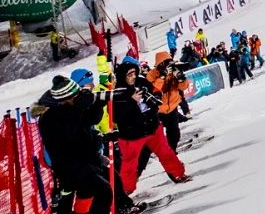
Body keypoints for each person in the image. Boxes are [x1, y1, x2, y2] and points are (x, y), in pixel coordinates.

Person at [33, 74, 140, 214]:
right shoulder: (50, 117)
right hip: (71, 166)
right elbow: (72, 135)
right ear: (65, 99)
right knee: (103, 191)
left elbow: (91, 120)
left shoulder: (69, 109)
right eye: (76, 96)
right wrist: (81, 110)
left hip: (85, 160)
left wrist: (98, 104)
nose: (79, 98)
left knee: (92, 192)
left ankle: (123, 206)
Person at [111, 62, 192, 195]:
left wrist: (153, 99)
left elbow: (156, 93)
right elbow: (117, 117)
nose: (133, 76)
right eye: (129, 74)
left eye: (134, 73)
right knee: (130, 164)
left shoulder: (141, 81)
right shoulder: (118, 92)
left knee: (166, 152)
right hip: (132, 134)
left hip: (152, 126)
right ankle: (126, 191)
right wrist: (132, 102)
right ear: (122, 76)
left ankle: (178, 174)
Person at [145, 51, 191, 152]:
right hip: (158, 110)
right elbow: (159, 87)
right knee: (156, 135)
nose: (169, 65)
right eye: (167, 62)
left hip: (172, 107)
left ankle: (171, 151)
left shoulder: (173, 71)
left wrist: (181, 78)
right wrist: (162, 76)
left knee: (175, 133)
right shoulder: (151, 75)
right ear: (161, 64)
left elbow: (183, 87)